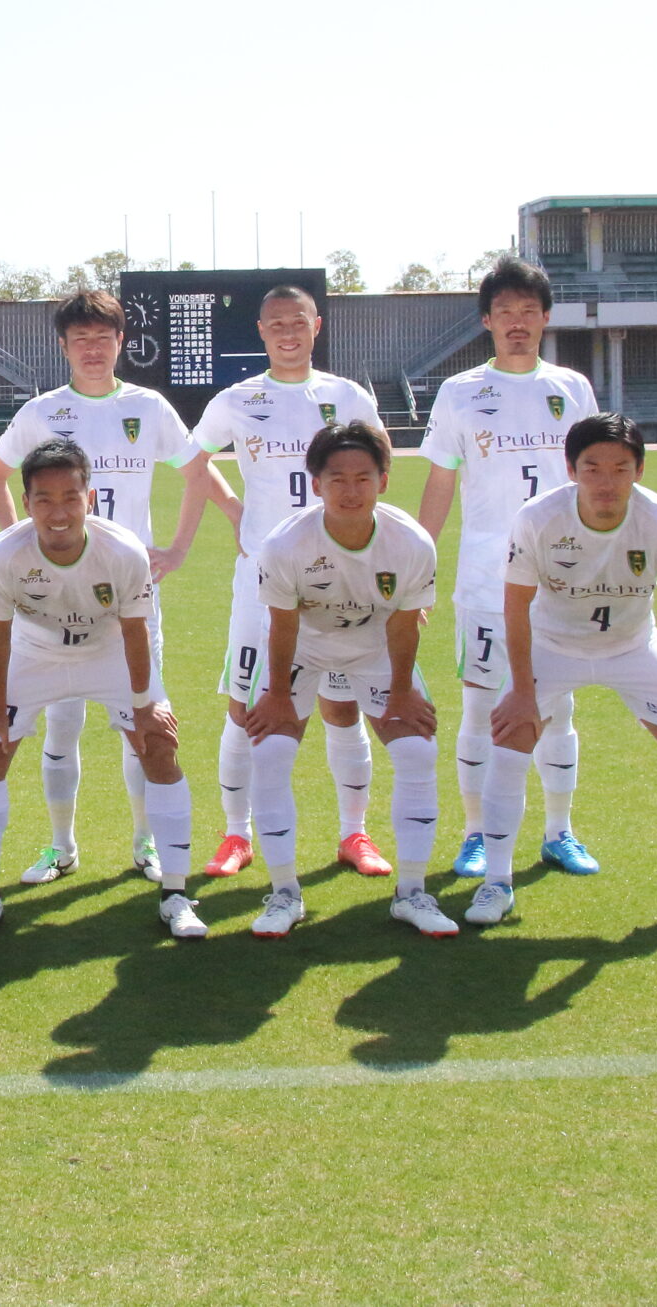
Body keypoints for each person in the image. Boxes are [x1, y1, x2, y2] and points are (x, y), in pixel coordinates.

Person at [0, 289, 238, 886]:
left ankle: (144, 843)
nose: (92, 349)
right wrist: (25, 552)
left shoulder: (148, 407)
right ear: (64, 347)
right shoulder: (42, 410)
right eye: (80, 340)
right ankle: (60, 845)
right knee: (60, 725)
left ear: (120, 342)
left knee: (141, 725)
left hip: (129, 595)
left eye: (103, 338)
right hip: (54, 601)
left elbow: (197, 469)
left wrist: (182, 544)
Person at [484, 413, 657, 929]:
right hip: (553, 645)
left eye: (620, 468)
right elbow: (515, 608)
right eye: (593, 468)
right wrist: (519, 690)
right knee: (510, 736)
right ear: (571, 470)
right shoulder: (539, 518)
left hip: (632, 646)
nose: (606, 481)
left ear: (639, 471)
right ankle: (496, 883)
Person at [0, 439, 203, 940]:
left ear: (89, 497)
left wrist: (143, 706)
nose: (58, 511)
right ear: (26, 504)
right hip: (35, 653)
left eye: (70, 496)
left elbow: (136, 630)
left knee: (158, 745)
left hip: (108, 649)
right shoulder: (3, 554)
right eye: (43, 499)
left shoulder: (123, 550)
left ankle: (177, 894)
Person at [186, 284, 387, 881]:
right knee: (245, 701)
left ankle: (355, 832)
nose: (287, 333)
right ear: (262, 331)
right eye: (276, 325)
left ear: (315, 325)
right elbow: (191, 461)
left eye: (297, 322)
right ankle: (235, 834)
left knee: (341, 701)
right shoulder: (239, 398)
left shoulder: (346, 396)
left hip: (340, 575)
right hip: (263, 574)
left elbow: (381, 467)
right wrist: (235, 513)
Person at [415, 256, 604, 883]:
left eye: (528, 311)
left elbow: (594, 477)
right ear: (486, 321)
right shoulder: (459, 392)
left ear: (545, 317)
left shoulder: (572, 388)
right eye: (505, 313)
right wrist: (420, 565)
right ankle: (475, 833)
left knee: (558, 710)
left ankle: (559, 830)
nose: (517, 323)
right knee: (480, 708)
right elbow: (440, 483)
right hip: (486, 581)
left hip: (564, 579)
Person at [242, 423, 454, 939]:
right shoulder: (286, 543)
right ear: (315, 483)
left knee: (417, 754)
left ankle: (412, 892)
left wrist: (402, 691)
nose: (351, 490)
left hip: (375, 649)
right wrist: (276, 695)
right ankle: (283, 893)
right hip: (304, 648)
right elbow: (283, 626)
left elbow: (405, 625)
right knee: (269, 754)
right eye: (337, 478)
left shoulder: (411, 542)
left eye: (363, 478)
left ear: (383, 480)